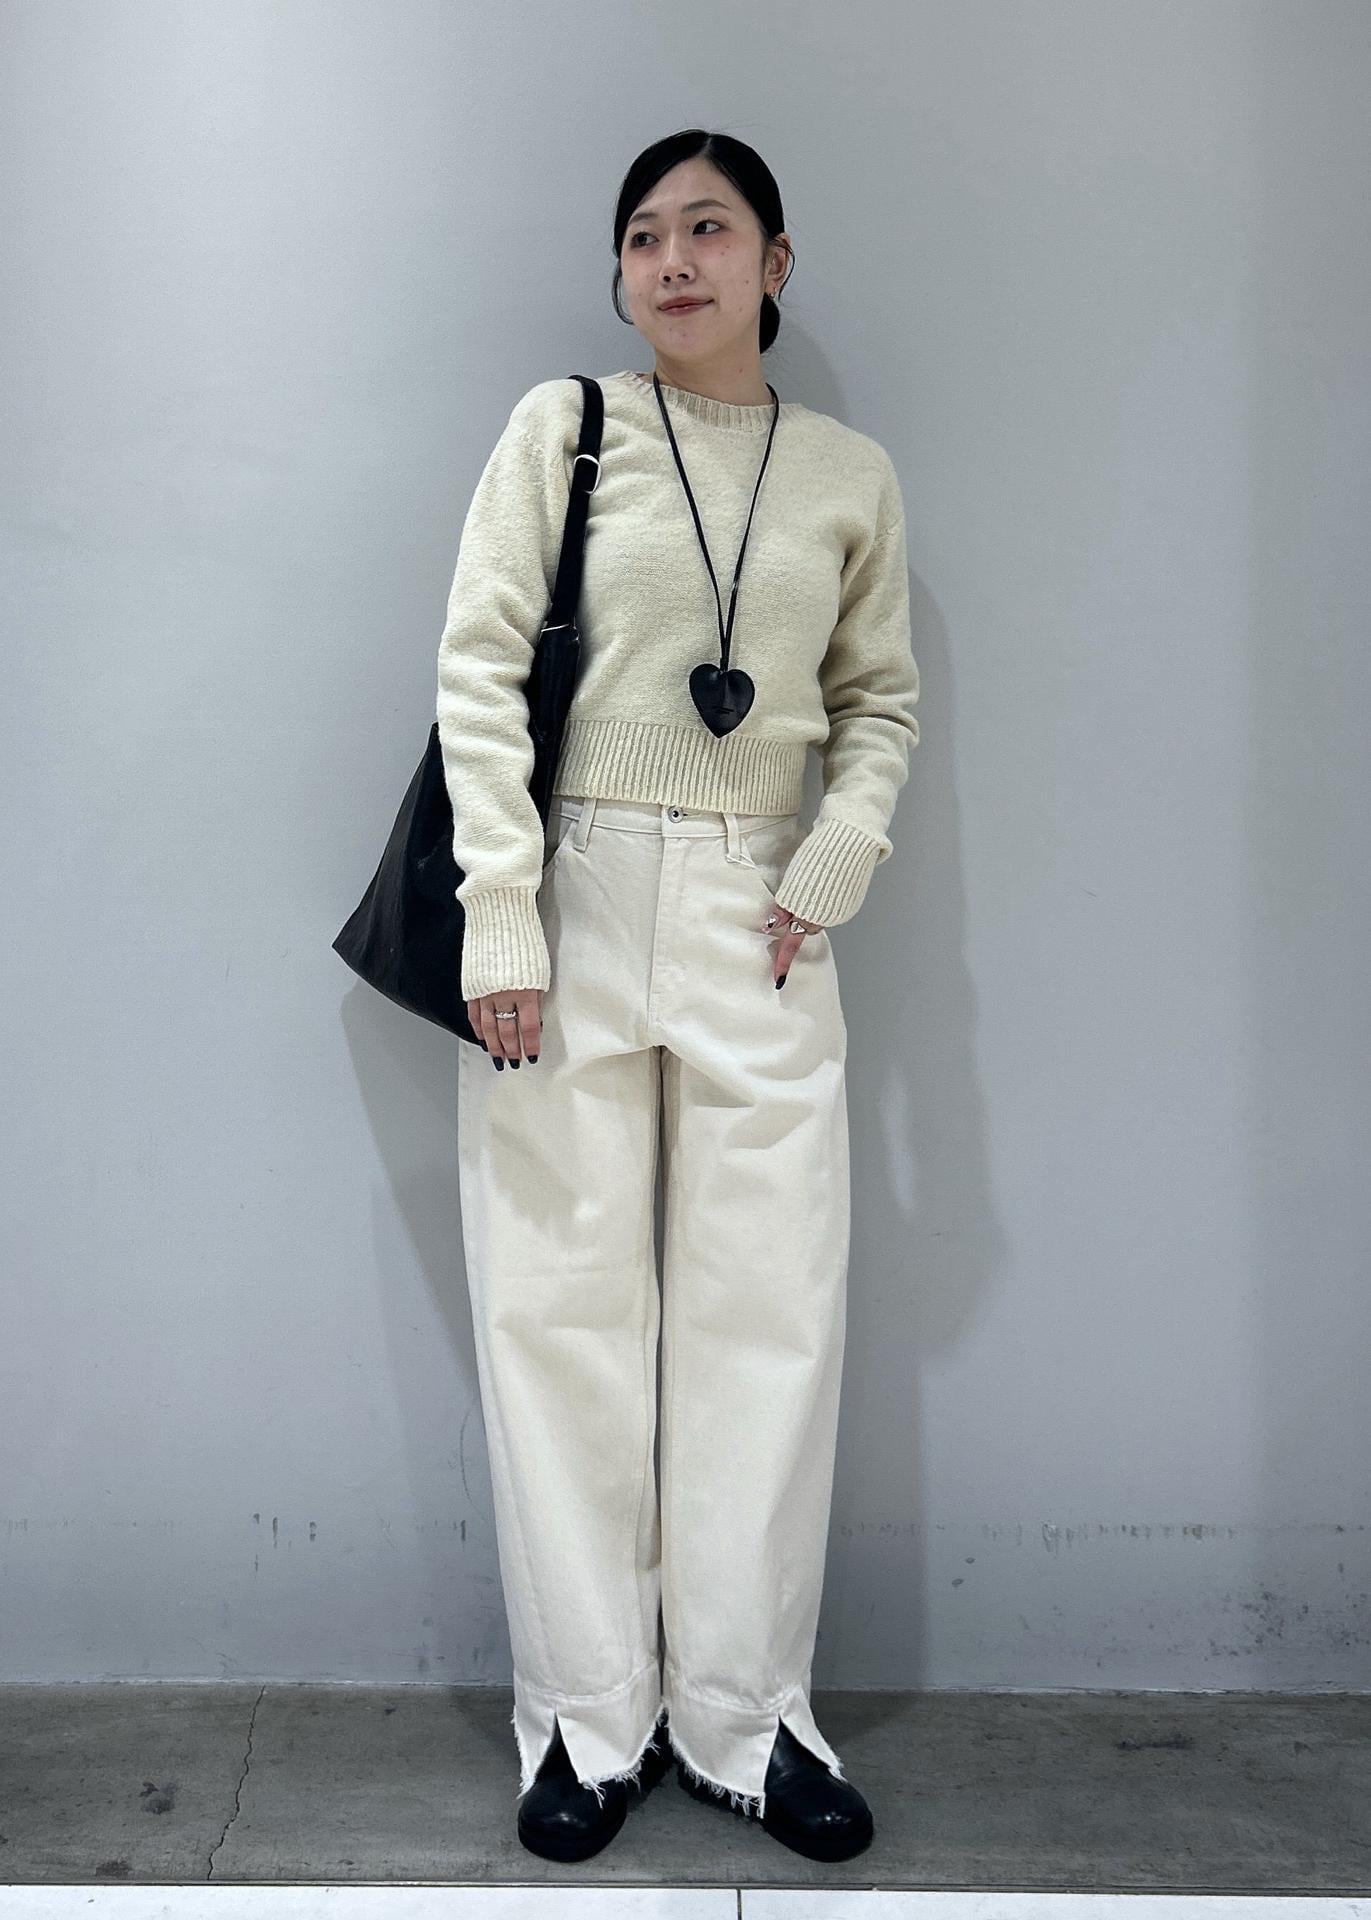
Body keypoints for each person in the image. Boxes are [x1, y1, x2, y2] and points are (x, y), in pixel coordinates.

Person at [435, 128, 920, 1867]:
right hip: (570, 888)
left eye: (710, 229)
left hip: (759, 910)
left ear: (775, 265)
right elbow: (479, 668)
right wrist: (503, 913)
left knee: (766, 1318)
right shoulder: (563, 431)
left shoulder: (848, 473)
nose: (673, 261)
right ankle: (584, 1715)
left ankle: (745, 1716)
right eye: (644, 235)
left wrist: (834, 856)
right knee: (556, 1311)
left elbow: (878, 701)